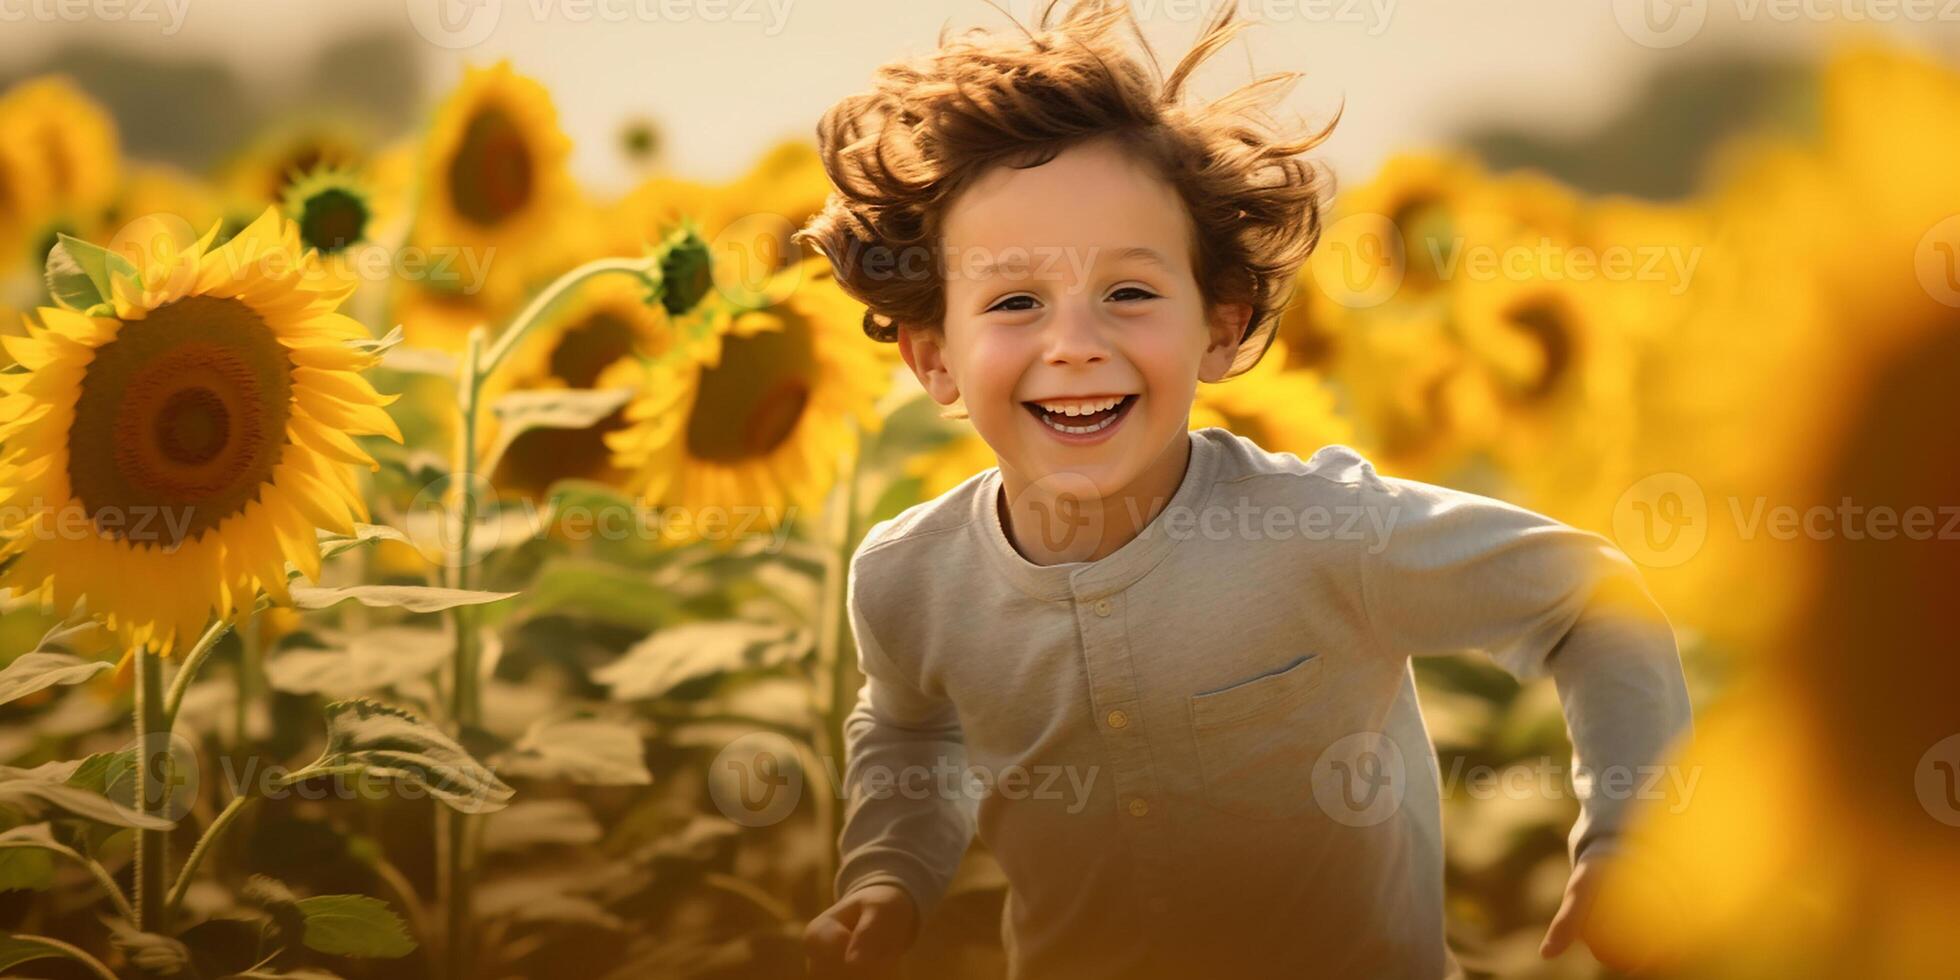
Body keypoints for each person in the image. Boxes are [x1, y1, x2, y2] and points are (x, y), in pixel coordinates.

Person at [792, 2, 1693, 976]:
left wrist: (1626, 841)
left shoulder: (1322, 535)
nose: (1075, 342)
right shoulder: (908, 577)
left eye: (1129, 292)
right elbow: (912, 730)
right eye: (1015, 302)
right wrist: (886, 875)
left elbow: (1589, 603)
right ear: (934, 357)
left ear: (1218, 326)